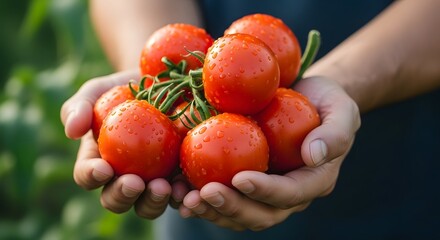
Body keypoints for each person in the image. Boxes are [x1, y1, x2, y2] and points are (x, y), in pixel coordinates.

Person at [61, 0, 440, 239]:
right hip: (193, 206)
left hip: (403, 191)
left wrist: (345, 81)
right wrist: (149, 67)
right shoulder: (179, 118)